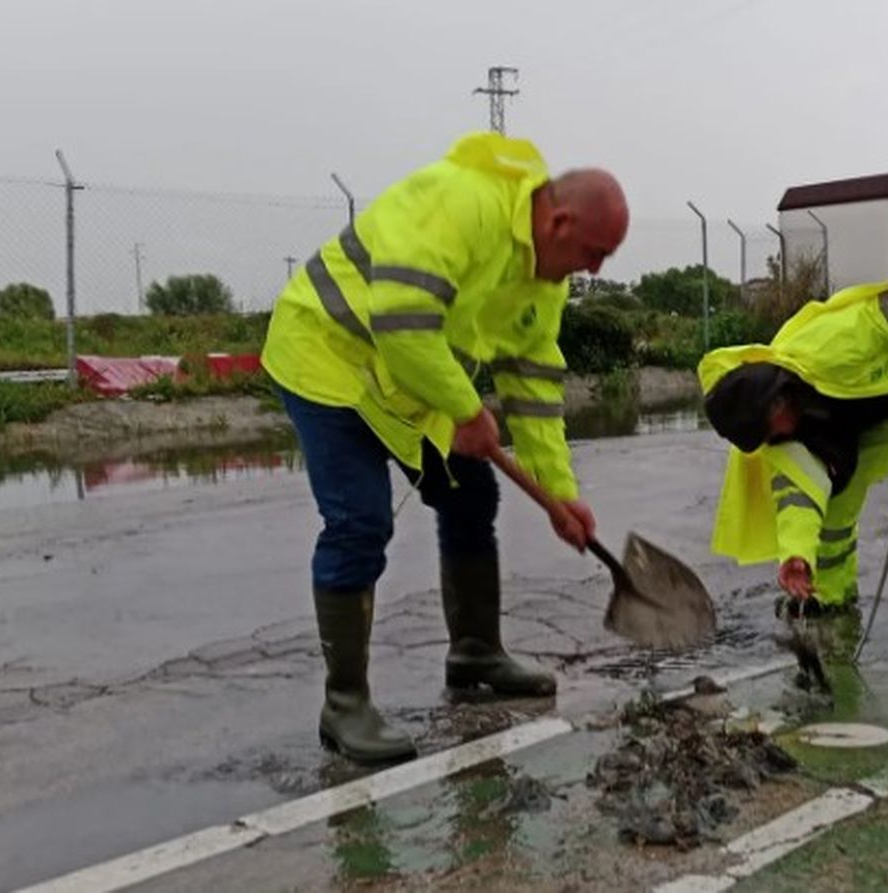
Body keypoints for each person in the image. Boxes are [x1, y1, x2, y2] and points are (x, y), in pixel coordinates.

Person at [262, 131, 629, 763]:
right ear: (559, 221)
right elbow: (402, 320)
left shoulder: (545, 282)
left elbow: (534, 389)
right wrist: (464, 409)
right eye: (594, 253)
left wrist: (560, 493)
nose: (595, 270)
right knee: (360, 522)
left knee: (470, 496)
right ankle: (345, 704)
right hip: (328, 359)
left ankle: (475, 654)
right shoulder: (465, 203)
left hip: (408, 382)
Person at [698, 277, 888, 666]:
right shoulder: (784, 433)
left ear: (777, 401)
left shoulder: (825, 343)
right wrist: (796, 556)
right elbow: (798, 494)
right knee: (838, 497)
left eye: (769, 431)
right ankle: (831, 595)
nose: (775, 439)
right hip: (885, 410)